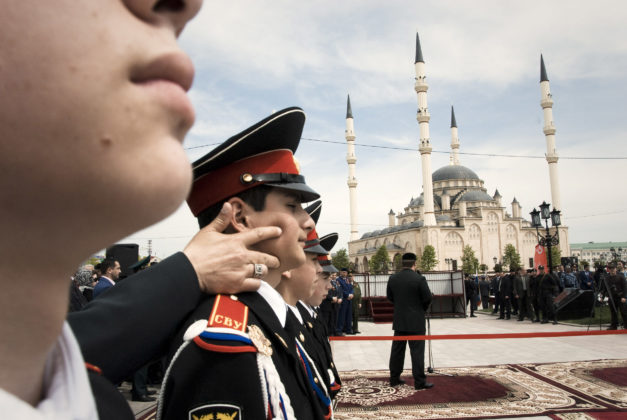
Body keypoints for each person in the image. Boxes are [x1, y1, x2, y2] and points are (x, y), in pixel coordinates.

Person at [0, 2, 299, 418]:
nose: (188, 6)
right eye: (292, 205)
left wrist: (187, 271)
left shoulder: (83, 396)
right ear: (239, 215)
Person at [158, 108, 324, 420]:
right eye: (292, 205)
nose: (306, 222)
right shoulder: (223, 345)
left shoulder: (270, 320)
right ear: (240, 217)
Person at [387, 253, 433, 390]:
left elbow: (390, 297)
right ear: (414, 264)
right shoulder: (419, 279)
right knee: (417, 352)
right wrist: (420, 310)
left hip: (400, 320)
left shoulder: (393, 278)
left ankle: (394, 378)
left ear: (402, 264)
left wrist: (400, 307)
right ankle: (419, 381)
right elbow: (427, 298)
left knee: (397, 351)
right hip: (416, 321)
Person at [604, 263, 627, 330]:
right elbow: (605, 288)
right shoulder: (607, 278)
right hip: (612, 297)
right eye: (611, 269)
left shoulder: (621, 277)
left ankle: (626, 325)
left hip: (620, 296)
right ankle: (614, 325)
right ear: (609, 270)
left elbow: (625, 287)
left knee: (624, 311)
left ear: (616, 269)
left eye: (613, 269)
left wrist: (624, 297)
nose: (612, 270)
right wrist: (603, 296)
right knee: (613, 312)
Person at [336, 268, 354, 335]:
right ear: (340, 272)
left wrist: (352, 293)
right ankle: (339, 330)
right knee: (342, 316)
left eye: (345, 272)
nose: (344, 273)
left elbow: (351, 288)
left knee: (349, 316)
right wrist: (348, 295)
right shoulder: (338, 280)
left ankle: (348, 330)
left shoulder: (347, 280)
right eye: (343, 272)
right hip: (343, 300)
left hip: (349, 300)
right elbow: (340, 290)